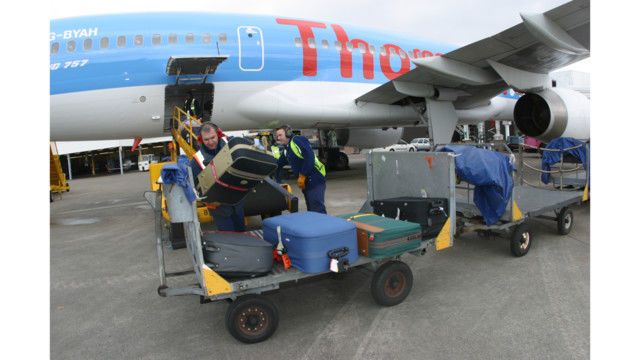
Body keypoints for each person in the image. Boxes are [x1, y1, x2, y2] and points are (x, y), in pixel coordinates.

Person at [190, 122, 246, 232]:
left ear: (218, 134)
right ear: (201, 139)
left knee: (241, 232)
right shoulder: (197, 159)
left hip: (237, 201)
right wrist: (208, 198)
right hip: (218, 206)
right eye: (206, 140)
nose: (210, 142)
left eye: (213, 137)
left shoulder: (231, 143)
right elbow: (195, 185)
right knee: (228, 237)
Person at [274, 125, 327, 213]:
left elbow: (309, 157)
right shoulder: (287, 149)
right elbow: (278, 164)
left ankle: (325, 226)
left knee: (317, 208)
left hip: (315, 178)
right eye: (277, 136)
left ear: (288, 134)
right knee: (311, 209)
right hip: (306, 182)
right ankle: (315, 226)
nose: (278, 138)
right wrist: (276, 178)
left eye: (280, 135)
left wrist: (303, 175)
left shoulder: (297, 140)